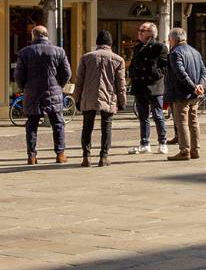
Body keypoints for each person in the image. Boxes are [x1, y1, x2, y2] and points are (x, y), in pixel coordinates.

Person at [15, 22, 71, 168]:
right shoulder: (58, 51)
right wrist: (59, 85)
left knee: (32, 125)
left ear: (33, 36)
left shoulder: (24, 52)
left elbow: (19, 75)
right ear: (47, 35)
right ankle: (60, 154)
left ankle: (32, 156)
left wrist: (24, 87)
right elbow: (67, 73)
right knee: (58, 123)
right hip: (53, 91)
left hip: (32, 92)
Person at [75, 33, 127, 167]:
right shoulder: (118, 60)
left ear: (97, 43)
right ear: (110, 44)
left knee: (87, 126)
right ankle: (104, 157)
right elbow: (121, 83)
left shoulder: (86, 58)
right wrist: (122, 101)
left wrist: (77, 98)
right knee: (106, 126)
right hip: (108, 96)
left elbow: (79, 80)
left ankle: (86, 157)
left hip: (88, 96)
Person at [164, 27, 206, 160]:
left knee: (181, 122)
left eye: (169, 39)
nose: (168, 41)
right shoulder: (195, 52)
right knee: (193, 122)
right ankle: (195, 150)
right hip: (194, 95)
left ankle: (184, 151)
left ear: (173, 39)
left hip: (180, 93)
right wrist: (200, 85)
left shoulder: (175, 53)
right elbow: (204, 72)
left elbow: (180, 73)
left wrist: (194, 87)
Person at [127, 21, 169, 157]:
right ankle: (145, 143)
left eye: (142, 30)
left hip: (154, 86)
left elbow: (164, 67)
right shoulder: (137, 47)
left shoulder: (159, 47)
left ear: (151, 33)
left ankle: (163, 143)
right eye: (139, 30)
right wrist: (132, 74)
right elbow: (133, 65)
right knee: (143, 116)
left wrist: (153, 73)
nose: (139, 32)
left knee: (158, 115)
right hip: (140, 86)